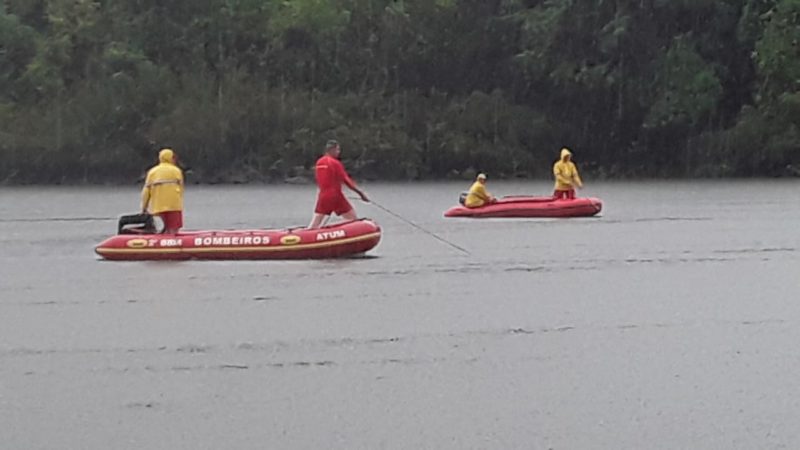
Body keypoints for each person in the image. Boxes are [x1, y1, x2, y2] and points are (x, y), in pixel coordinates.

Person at [308, 140, 369, 229]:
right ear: (332, 150)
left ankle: (308, 237)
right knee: (353, 220)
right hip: (336, 196)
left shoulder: (319, 162)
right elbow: (347, 181)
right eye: (337, 150)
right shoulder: (335, 163)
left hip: (323, 195)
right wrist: (361, 194)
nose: (339, 152)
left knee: (316, 222)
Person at [141, 148, 184, 234]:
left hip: (158, 206)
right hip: (174, 206)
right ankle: (172, 241)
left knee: (164, 228)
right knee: (173, 228)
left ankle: (162, 240)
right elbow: (181, 189)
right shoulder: (176, 171)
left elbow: (146, 191)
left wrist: (144, 207)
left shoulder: (152, 172)